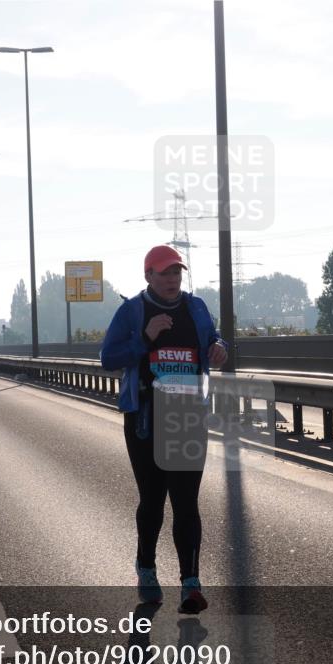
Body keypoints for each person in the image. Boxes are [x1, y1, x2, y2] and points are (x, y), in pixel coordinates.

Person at [100, 245, 228, 614]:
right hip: (145, 421)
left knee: (186, 502)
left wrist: (219, 348)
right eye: (164, 273)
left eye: (177, 273)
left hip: (187, 417)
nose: (173, 279)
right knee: (153, 502)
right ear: (148, 277)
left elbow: (213, 341)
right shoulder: (132, 311)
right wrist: (145, 338)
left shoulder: (196, 307)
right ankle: (147, 569)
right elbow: (108, 358)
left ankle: (191, 584)